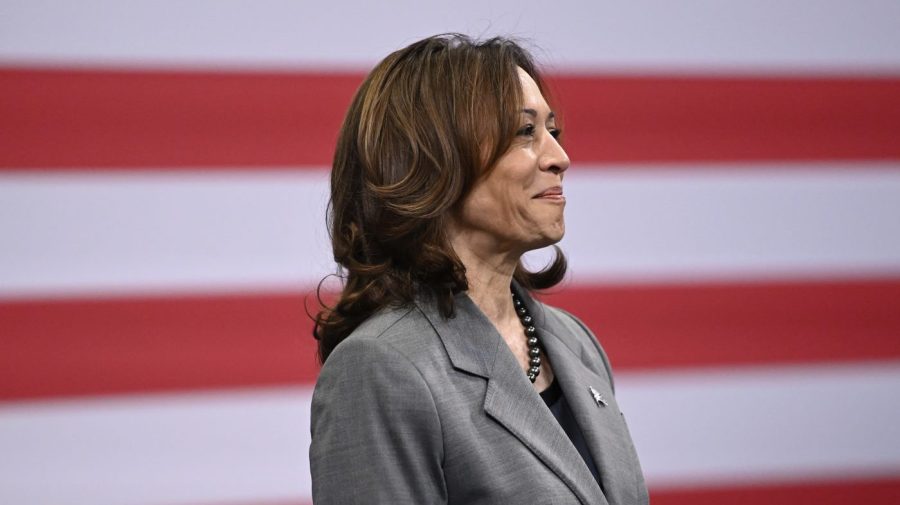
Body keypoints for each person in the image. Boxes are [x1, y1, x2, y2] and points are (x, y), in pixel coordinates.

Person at [310, 34, 648, 505]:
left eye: (554, 130)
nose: (559, 157)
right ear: (432, 159)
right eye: (524, 132)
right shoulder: (381, 367)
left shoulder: (575, 342)